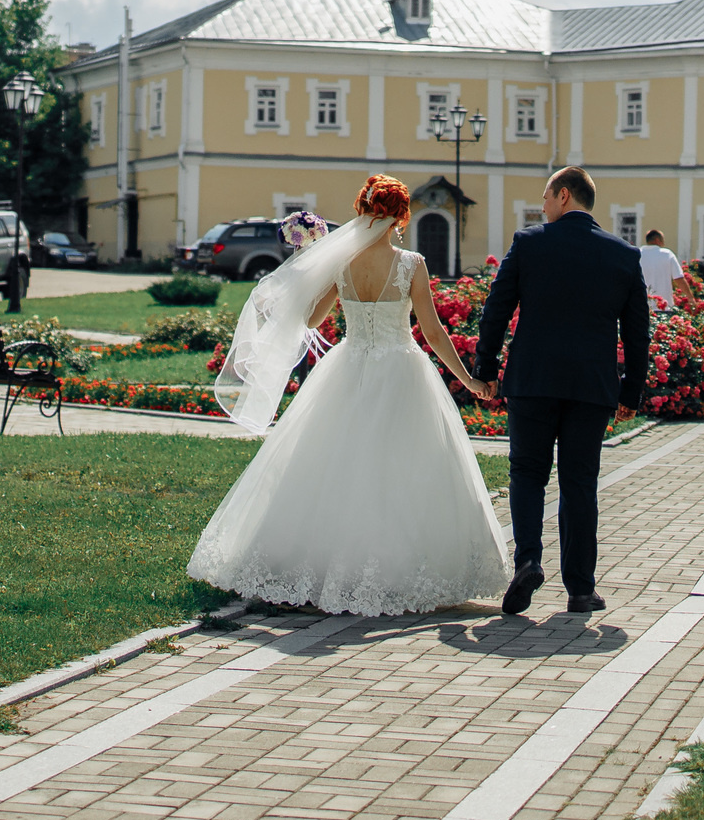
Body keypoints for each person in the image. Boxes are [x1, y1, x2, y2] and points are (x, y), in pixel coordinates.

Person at [188, 175, 511, 615]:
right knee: (403, 467)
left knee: (334, 463)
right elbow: (433, 333)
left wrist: (307, 267)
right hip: (400, 369)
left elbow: (311, 319)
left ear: (362, 211)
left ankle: (316, 563)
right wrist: (469, 380)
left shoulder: (341, 262)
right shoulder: (411, 264)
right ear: (401, 217)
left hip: (349, 366)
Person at [475, 166, 651, 616]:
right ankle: (580, 589)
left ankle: (528, 562)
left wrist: (486, 368)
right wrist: (630, 393)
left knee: (527, 473)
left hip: (533, 380)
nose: (543, 207)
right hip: (591, 387)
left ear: (564, 196)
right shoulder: (623, 255)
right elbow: (637, 335)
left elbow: (496, 310)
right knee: (579, 483)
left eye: (546, 198)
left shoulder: (529, 243)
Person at [638, 227, 698, 311]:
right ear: (657, 240)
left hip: (641, 306)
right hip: (664, 305)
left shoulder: (637, 254)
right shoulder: (667, 254)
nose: (663, 244)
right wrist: (690, 298)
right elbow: (679, 278)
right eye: (663, 241)